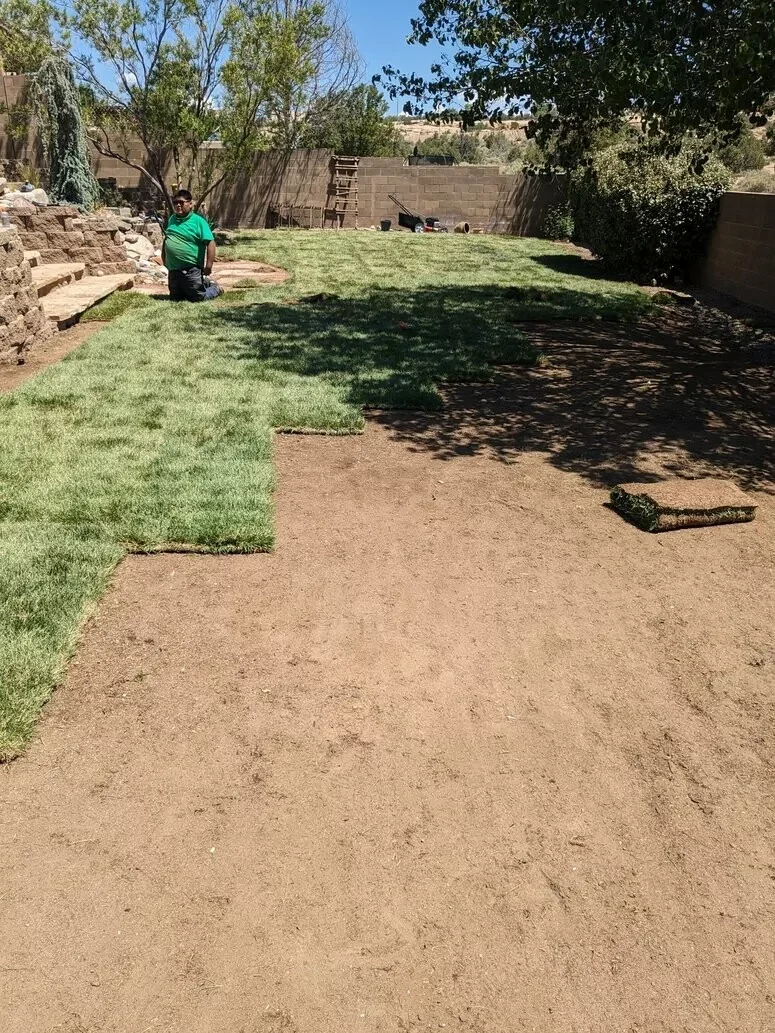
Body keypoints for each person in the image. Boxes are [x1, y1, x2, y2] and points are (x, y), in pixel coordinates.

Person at [162, 189, 224, 301]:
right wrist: (164, 257)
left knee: (197, 297)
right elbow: (167, 238)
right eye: (176, 203)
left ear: (190, 204)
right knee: (176, 298)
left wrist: (209, 266)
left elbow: (210, 243)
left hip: (191, 269)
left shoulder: (198, 221)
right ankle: (203, 283)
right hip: (174, 270)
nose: (178, 205)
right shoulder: (172, 219)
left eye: (181, 202)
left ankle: (215, 289)